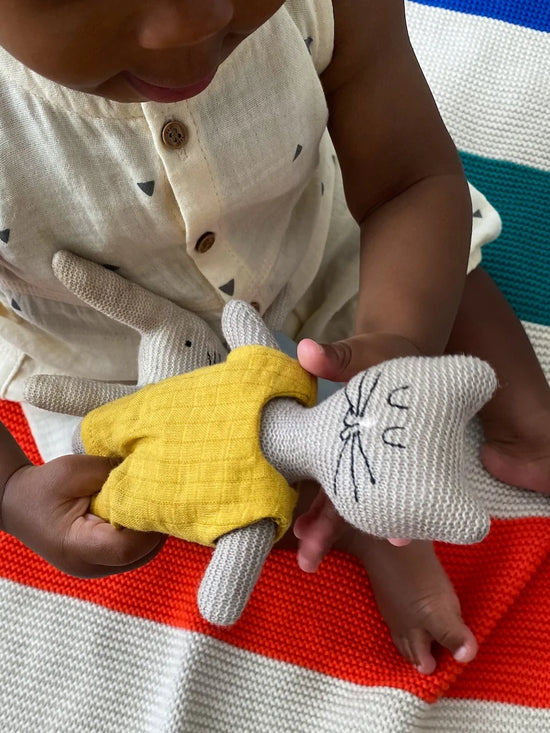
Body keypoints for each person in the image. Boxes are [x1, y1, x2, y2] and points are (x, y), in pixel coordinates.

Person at [0, 0, 546, 678]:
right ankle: (361, 523)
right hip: (132, 372)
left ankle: (525, 426)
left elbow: (410, 183)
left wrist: (398, 341)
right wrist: (11, 489)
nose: (194, 21)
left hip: (314, 253)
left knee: (440, 267)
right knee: (216, 500)